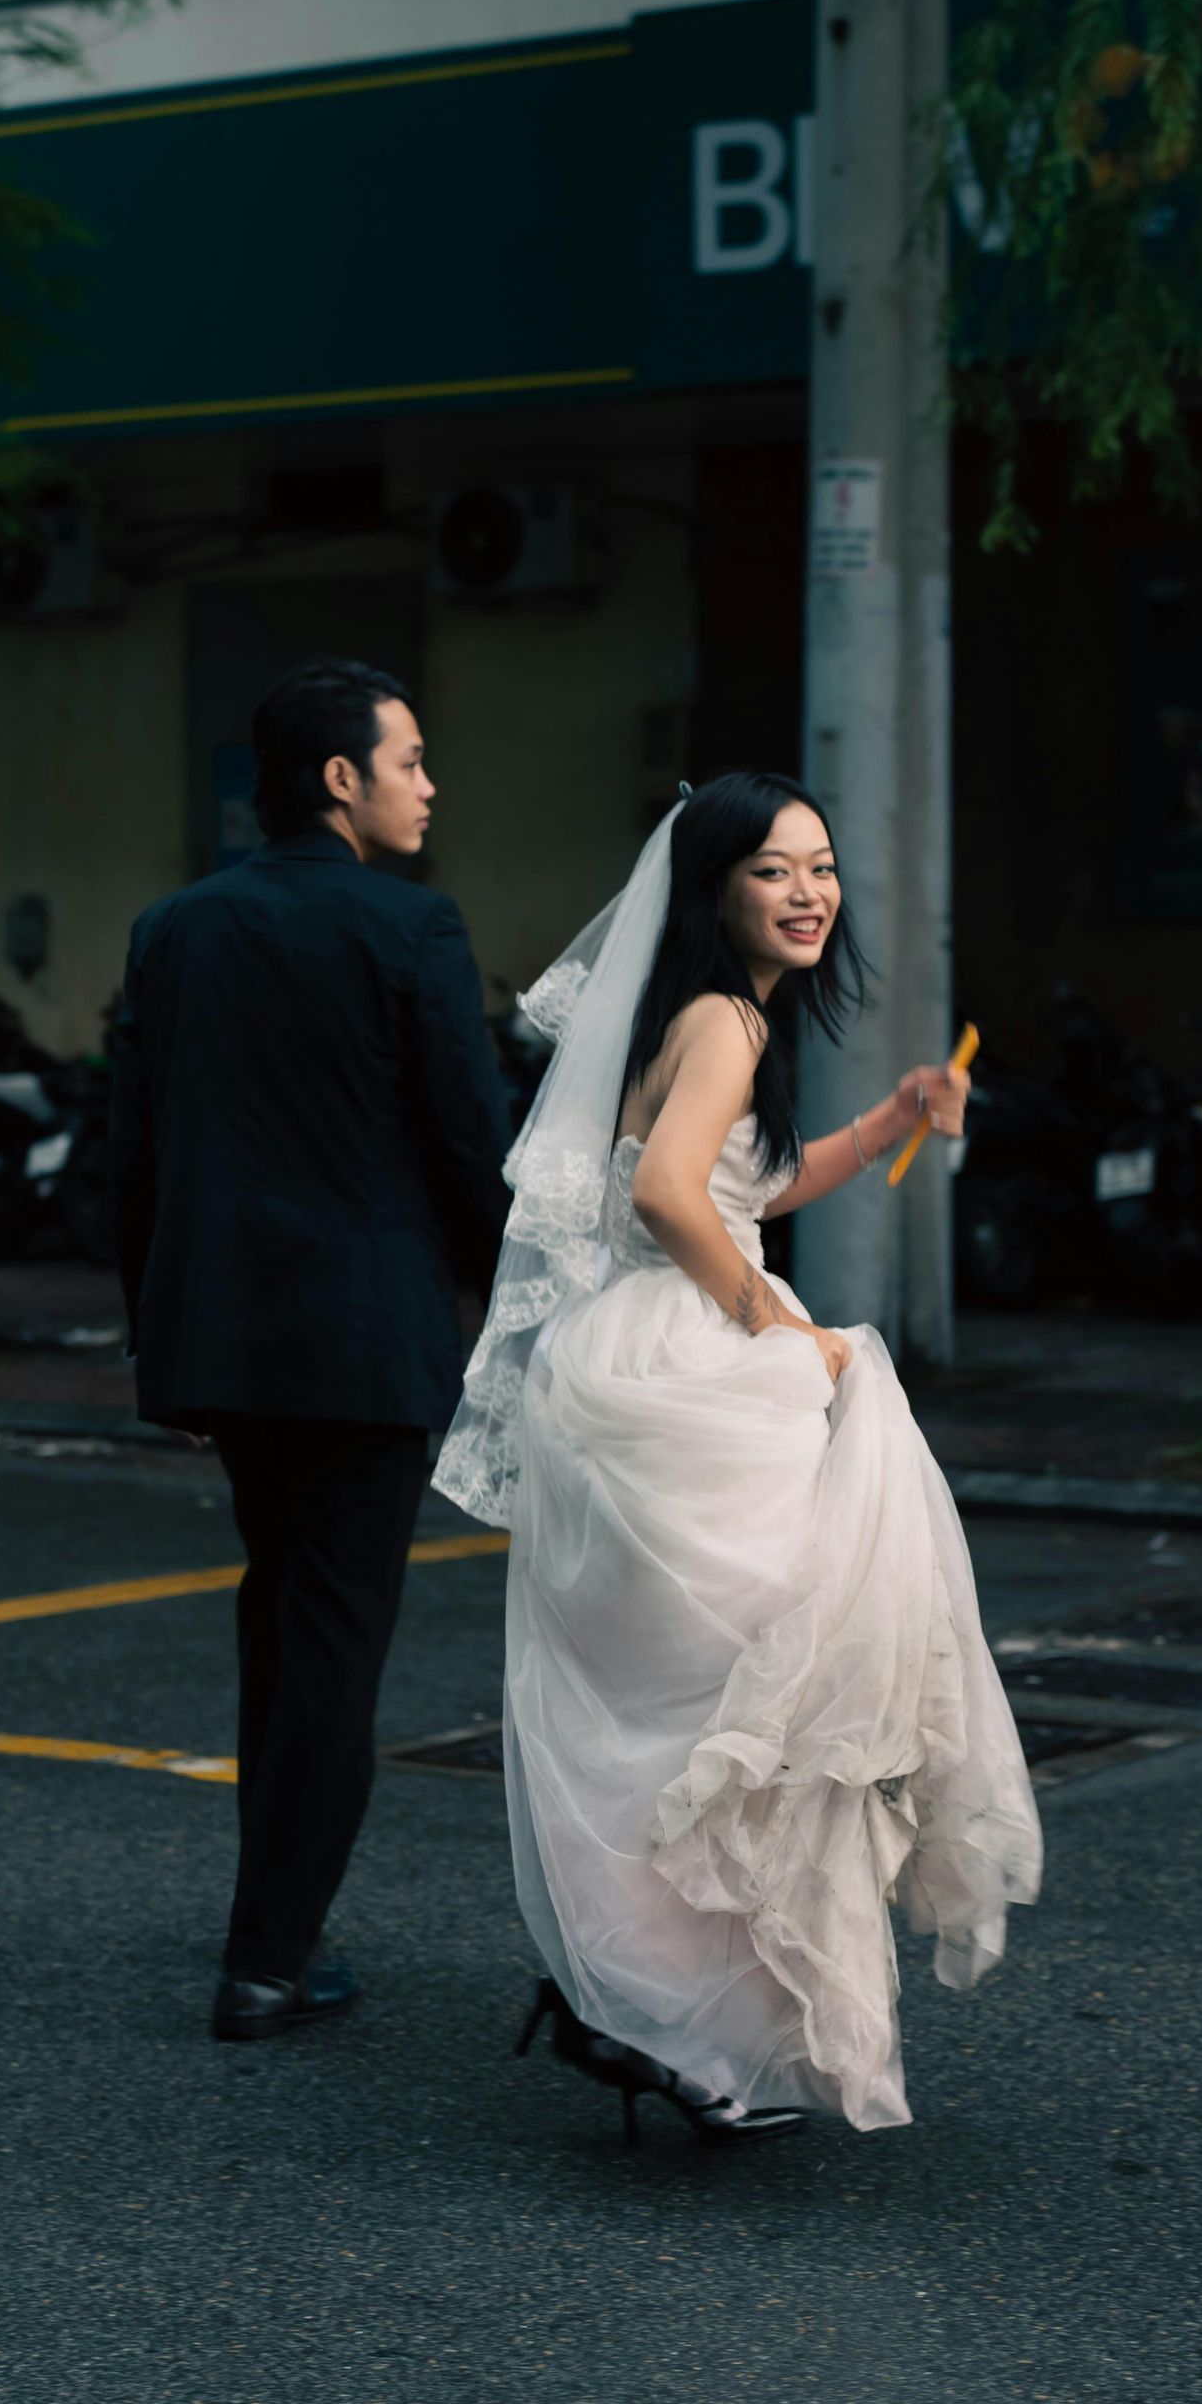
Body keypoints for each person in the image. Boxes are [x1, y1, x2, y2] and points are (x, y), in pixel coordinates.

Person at [435, 775, 1042, 2142]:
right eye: (777, 871)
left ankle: (645, 2008)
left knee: (692, 1714)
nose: (812, 892)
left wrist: (886, 1126)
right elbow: (667, 1199)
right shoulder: (722, 1021)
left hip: (633, 1364)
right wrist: (776, 1321)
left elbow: (734, 1190)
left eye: (823, 866)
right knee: (756, 1700)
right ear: (716, 888)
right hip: (686, 1369)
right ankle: (659, 2016)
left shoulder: (709, 1020)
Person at [111, 656, 512, 2042]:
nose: (428, 784)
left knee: (278, 1624)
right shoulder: (412, 930)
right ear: (339, 780)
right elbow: (471, 1148)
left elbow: (137, 1158)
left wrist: (160, 1344)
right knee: (333, 1646)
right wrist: (506, 1303)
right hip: (365, 1343)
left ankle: (273, 1930)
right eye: (409, 760)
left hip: (226, 1342)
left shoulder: (174, 930)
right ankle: (270, 1960)